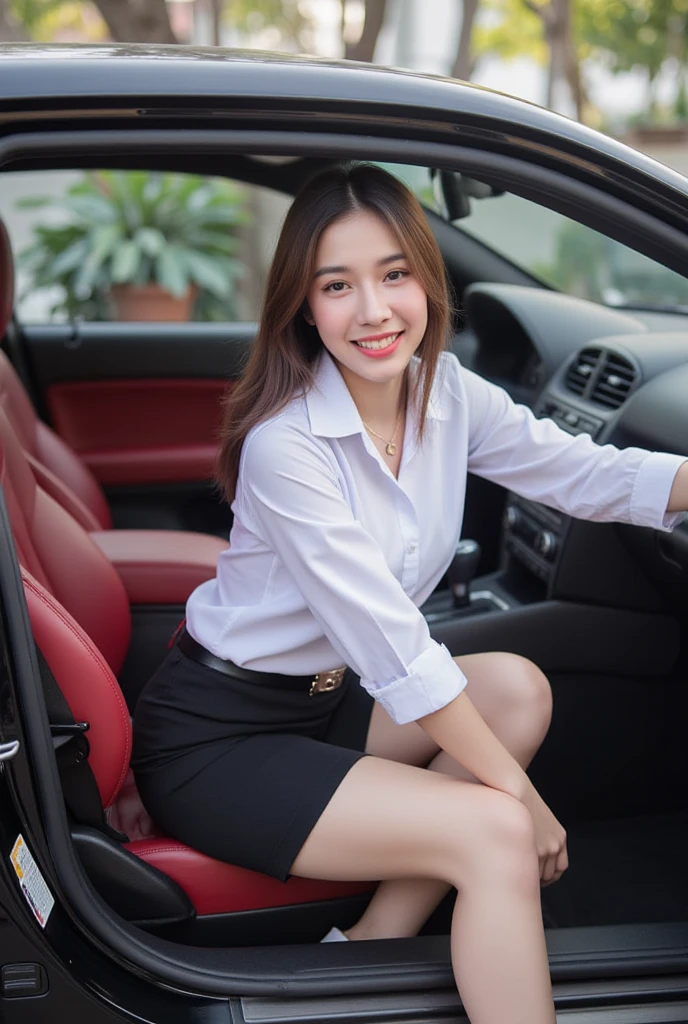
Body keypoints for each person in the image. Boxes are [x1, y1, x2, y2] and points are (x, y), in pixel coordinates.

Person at [131, 163, 688, 1024]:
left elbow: (584, 472)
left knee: (516, 690)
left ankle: (371, 948)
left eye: (394, 274)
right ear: (303, 307)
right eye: (338, 285)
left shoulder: (446, 394)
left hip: (325, 704)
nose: (375, 310)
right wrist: (524, 801)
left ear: (428, 279)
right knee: (496, 831)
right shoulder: (289, 448)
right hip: (222, 739)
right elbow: (396, 649)